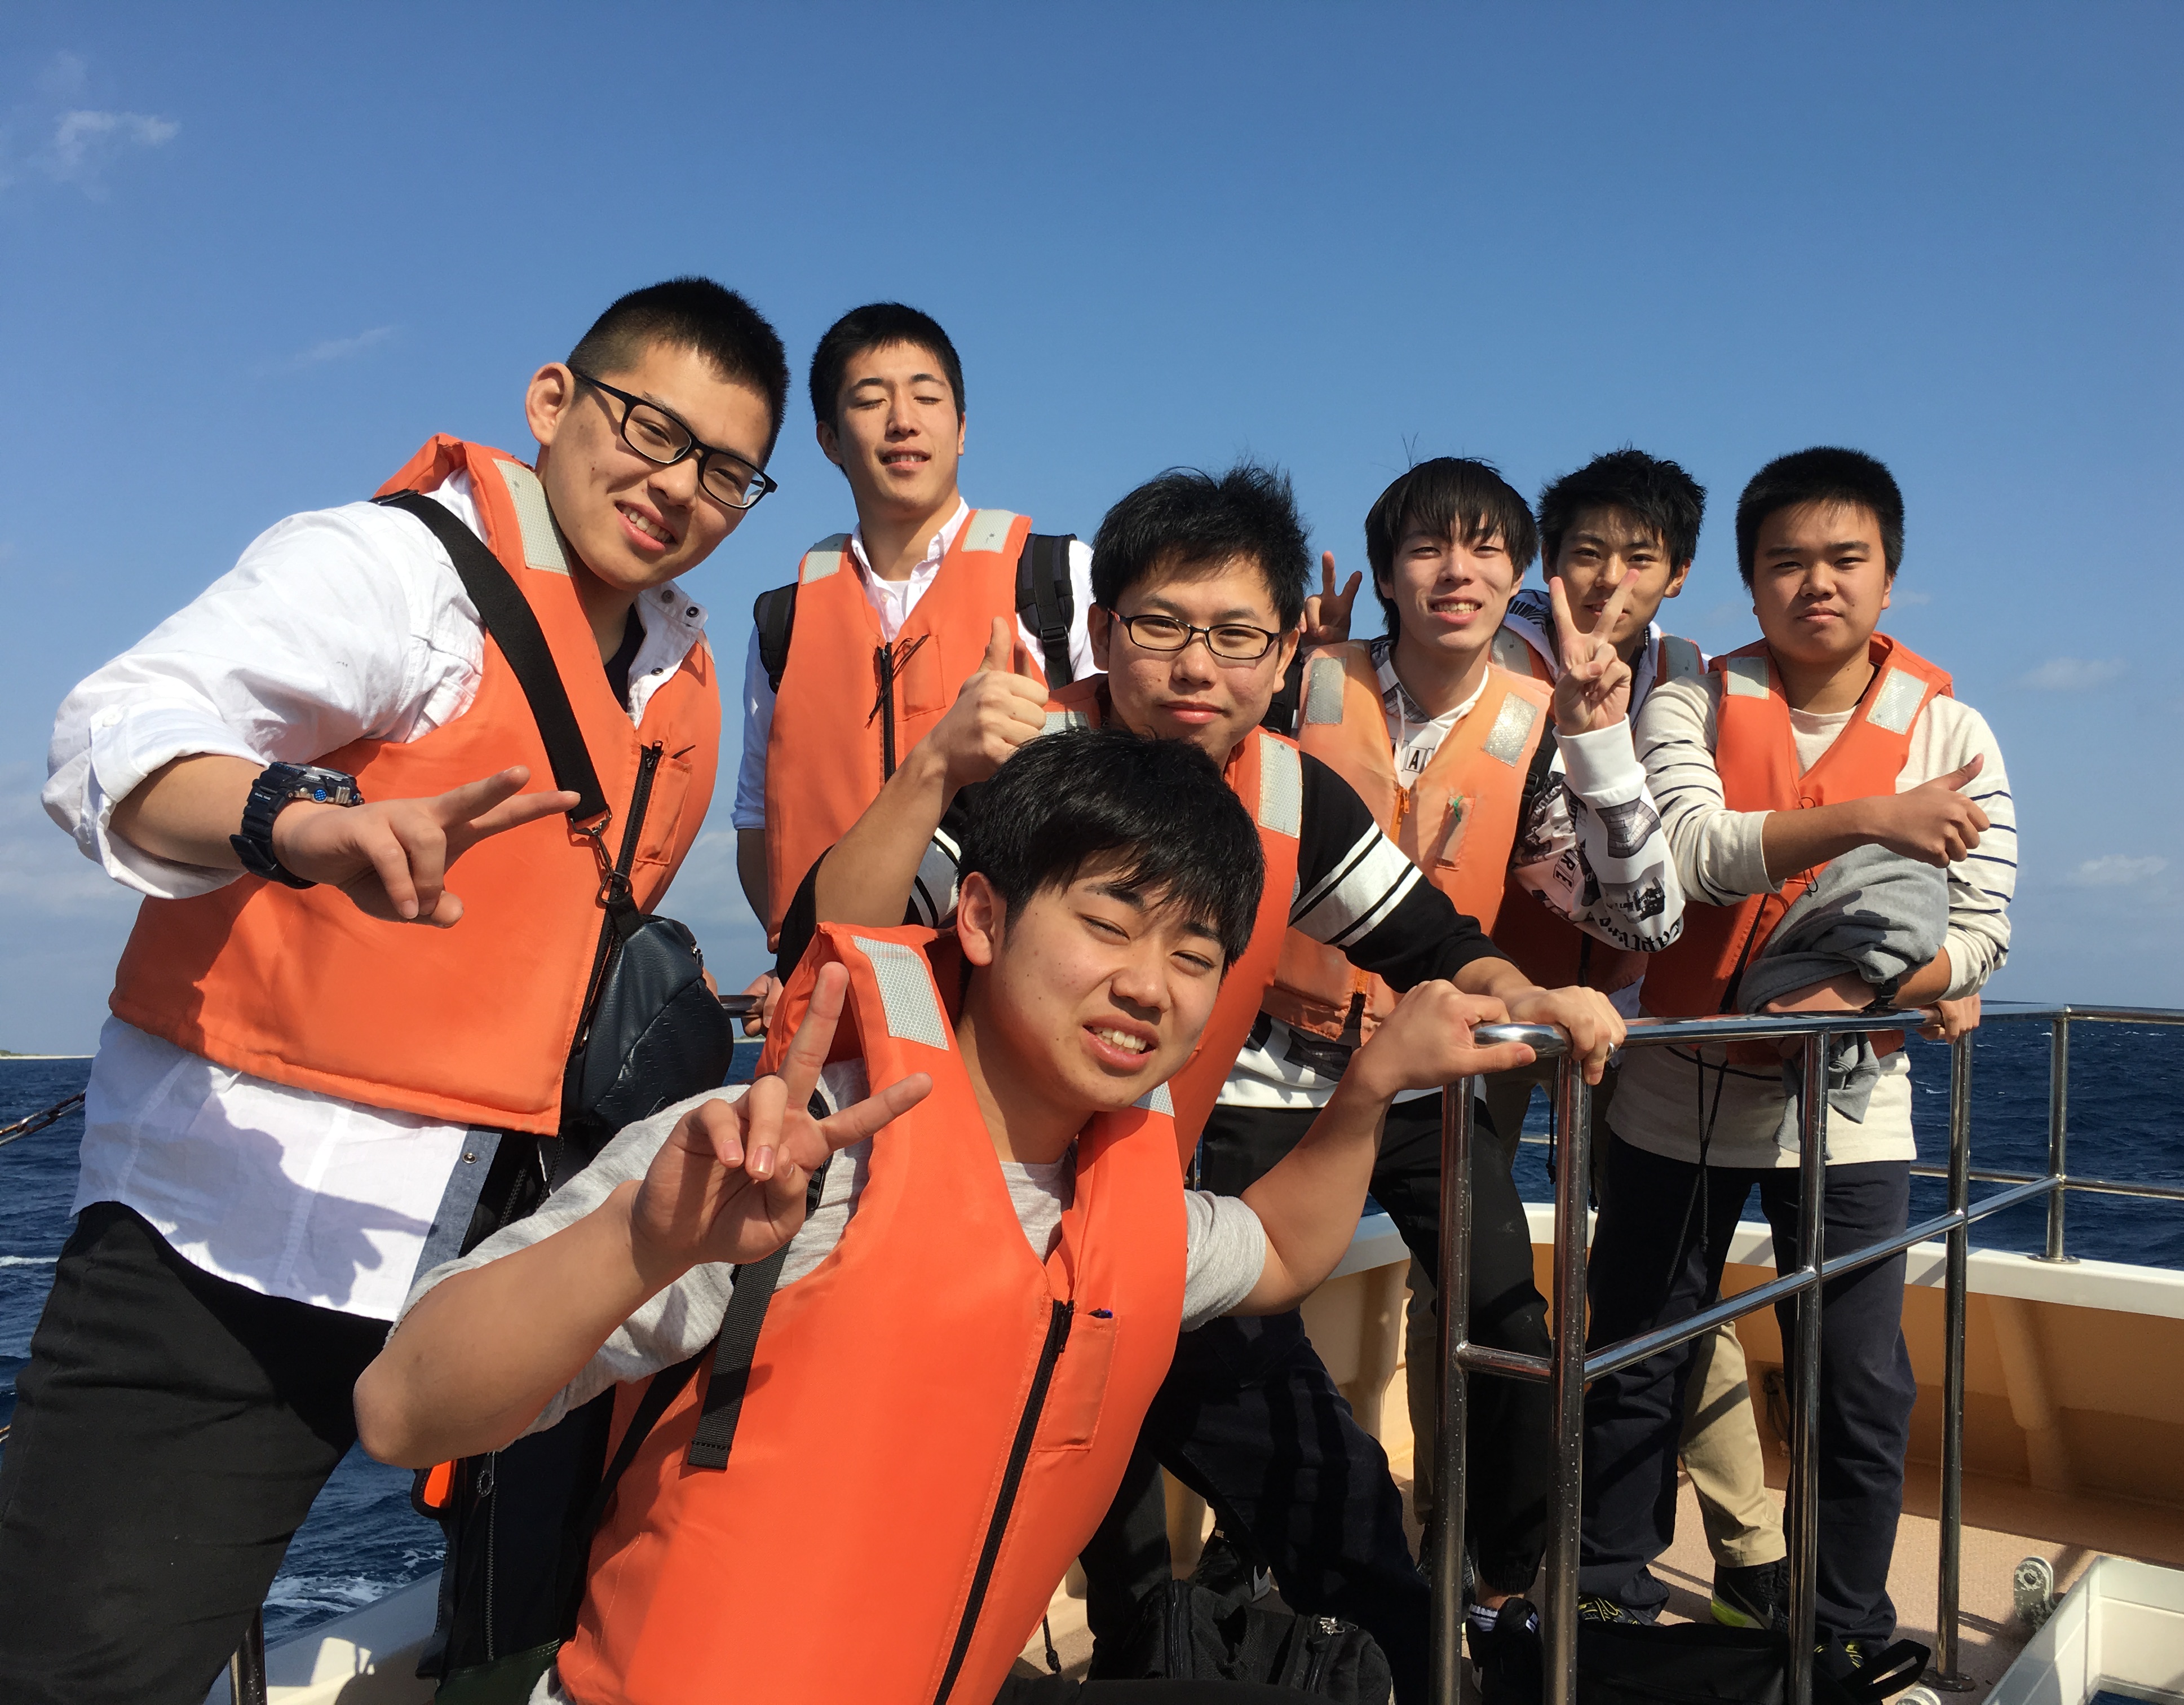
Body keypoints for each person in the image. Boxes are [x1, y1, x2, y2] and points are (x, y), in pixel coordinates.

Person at [356, 727, 1540, 1705]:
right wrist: (642, 1244)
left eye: (1194, 955)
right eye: (1109, 924)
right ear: (978, 915)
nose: (1149, 985)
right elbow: (403, 1410)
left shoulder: (1123, 1208)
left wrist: (1371, 1089)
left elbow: (1278, 1249)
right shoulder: (787, 1160)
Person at [6, 277, 789, 1705]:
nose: (679, 487)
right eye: (651, 430)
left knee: (512, 1633)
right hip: (240, 1242)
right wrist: (296, 821)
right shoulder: (392, 572)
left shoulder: (674, 668)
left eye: (727, 470)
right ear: (553, 402)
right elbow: (116, 728)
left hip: (501, 1249)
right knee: (87, 1669)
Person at [786, 461, 1622, 1699]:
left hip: (1143, 1229)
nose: (1197, 668)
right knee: (1049, 1552)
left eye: (1237, 636)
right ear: (1104, 628)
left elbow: (1426, 940)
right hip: (959, 1233)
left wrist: (1526, 993)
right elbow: (820, 945)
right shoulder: (1018, 762)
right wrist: (926, 775)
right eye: (1161, 627)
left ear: (1286, 654)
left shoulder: (1290, 793)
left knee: (1346, 1523)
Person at [1577, 448, 2017, 1680]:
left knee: (1857, 1383)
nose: (1816, 583)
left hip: (1852, 1111)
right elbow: (1696, 853)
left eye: (1844, 558)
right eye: (1786, 561)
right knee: (1637, 1358)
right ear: (1749, 579)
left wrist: (1866, 992)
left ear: (1889, 575)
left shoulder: (1950, 727)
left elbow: (1984, 927)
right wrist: (1878, 818)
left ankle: (1841, 1625)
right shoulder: (1691, 697)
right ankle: (1606, 1600)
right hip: (1675, 1094)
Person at [1239, 456, 1683, 1664]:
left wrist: (1597, 738)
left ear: (1516, 576)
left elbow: (1644, 918)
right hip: (1270, 1063)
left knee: (1510, 1326)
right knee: (1238, 1312)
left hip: (1431, 1077)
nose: (1458, 571)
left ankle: (1495, 1580)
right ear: (1386, 573)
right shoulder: (1296, 683)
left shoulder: (1541, 725)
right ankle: (1249, 1571)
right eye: (1429, 547)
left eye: (1487, 549)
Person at [1487, 447, 1790, 1633]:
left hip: (1633, 1016)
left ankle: (1747, 1544)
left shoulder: (1687, 677)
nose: (1608, 578)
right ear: (1548, 558)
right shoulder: (1489, 648)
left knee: (1661, 1288)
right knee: (1462, 1270)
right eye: (1585, 552)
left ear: (1676, 575)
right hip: (1492, 1000)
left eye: (1639, 557)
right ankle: (1485, 1539)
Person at [732, 301, 1099, 956]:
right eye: (871, 401)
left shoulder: (1060, 578)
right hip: (832, 990)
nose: (903, 420)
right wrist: (796, 960)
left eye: (927, 397)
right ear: (829, 440)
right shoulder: (781, 624)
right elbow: (758, 825)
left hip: (998, 989)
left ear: (961, 430)